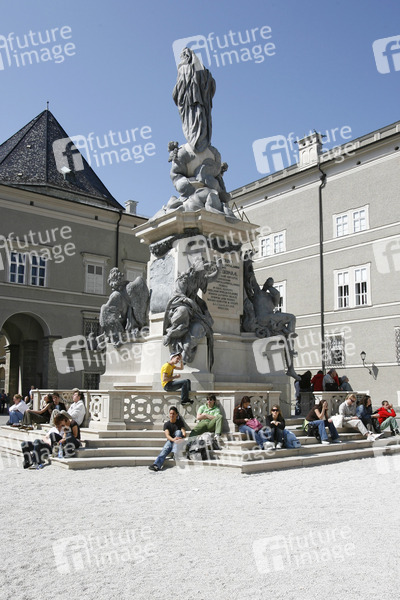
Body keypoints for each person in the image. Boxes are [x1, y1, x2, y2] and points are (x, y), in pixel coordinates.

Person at [148, 406, 186, 472]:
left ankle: (175, 453)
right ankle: (156, 465)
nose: (172, 415)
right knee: (165, 449)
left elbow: (183, 432)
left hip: (178, 441)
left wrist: (182, 436)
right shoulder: (166, 424)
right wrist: (173, 440)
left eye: (173, 414)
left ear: (176, 414)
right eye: (170, 413)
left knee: (178, 432)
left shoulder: (180, 422)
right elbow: (167, 435)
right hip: (171, 441)